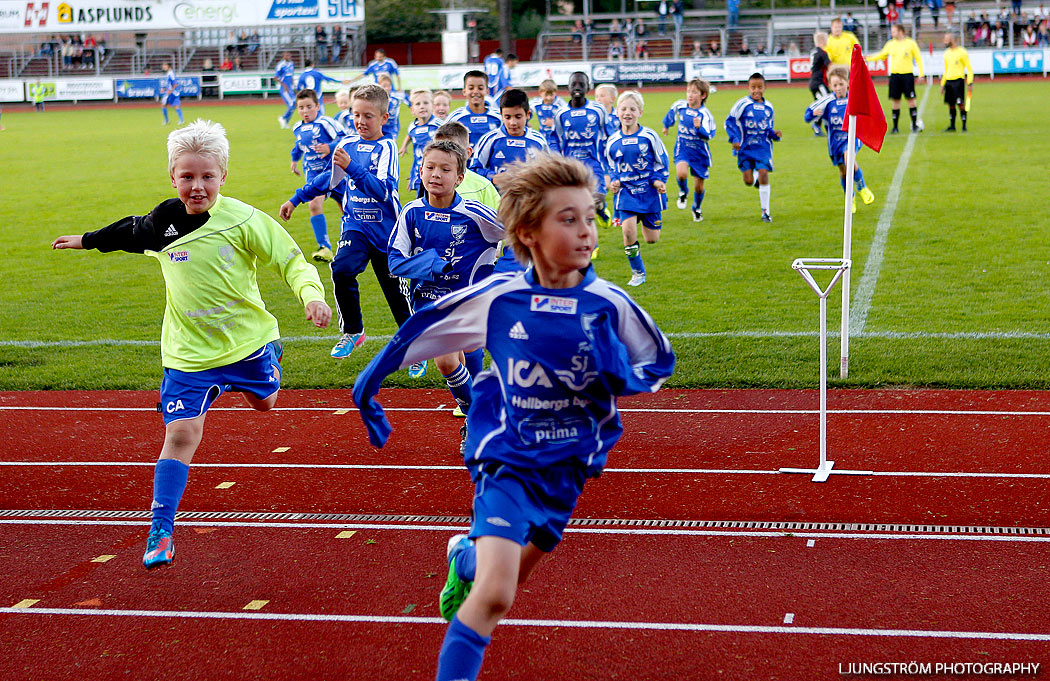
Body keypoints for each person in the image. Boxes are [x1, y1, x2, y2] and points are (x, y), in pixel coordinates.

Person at [351, 152, 675, 681]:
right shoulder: (502, 298)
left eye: (590, 217)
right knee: (496, 598)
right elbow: (425, 329)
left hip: (568, 465)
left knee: (507, 576)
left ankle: (466, 558)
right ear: (526, 232)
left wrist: (619, 376)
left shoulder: (609, 305)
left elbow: (656, 362)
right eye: (568, 219)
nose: (587, 232)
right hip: (506, 454)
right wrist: (369, 389)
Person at [51, 119, 332, 570]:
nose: (197, 186)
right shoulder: (163, 222)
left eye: (206, 176)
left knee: (266, 406)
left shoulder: (244, 219)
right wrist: (85, 240)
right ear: (173, 177)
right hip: (187, 353)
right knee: (181, 435)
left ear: (224, 175)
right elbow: (128, 232)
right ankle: (161, 530)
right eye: (187, 176)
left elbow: (291, 261)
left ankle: (267, 368)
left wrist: (312, 296)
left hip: (248, 345)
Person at [280, 84, 411, 359]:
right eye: (355, 115)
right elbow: (328, 180)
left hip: (387, 231)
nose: (360, 122)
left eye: (368, 116)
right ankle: (353, 331)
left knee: (396, 293)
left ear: (384, 118)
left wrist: (352, 167)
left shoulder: (386, 147)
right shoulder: (347, 144)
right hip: (356, 226)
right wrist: (296, 199)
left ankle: (414, 345)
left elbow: (383, 191)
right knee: (341, 270)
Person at [388, 140, 504, 397]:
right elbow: (394, 262)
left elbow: (519, 232)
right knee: (453, 361)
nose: (436, 174)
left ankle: (474, 418)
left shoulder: (475, 214)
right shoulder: (411, 213)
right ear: (420, 172)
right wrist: (435, 265)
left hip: (466, 302)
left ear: (460, 178)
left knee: (446, 361)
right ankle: (475, 418)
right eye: (429, 167)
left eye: (445, 169)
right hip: (427, 303)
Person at [607, 91, 670, 287]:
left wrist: (658, 180)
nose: (628, 112)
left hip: (649, 191)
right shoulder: (612, 141)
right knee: (627, 232)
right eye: (623, 109)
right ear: (617, 112)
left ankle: (645, 222)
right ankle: (637, 272)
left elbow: (662, 162)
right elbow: (610, 166)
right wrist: (614, 181)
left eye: (632, 109)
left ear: (640, 112)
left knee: (651, 239)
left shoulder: (649, 136)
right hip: (626, 193)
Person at [804, 65, 877, 211]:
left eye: (841, 84)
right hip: (834, 143)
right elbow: (807, 115)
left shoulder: (854, 98)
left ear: (848, 83)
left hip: (852, 138)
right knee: (843, 171)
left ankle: (862, 187)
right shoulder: (827, 101)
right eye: (835, 85)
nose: (838, 88)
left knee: (848, 158)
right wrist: (813, 114)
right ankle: (850, 197)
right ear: (830, 85)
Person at [290, 89, 345, 263]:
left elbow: (346, 139)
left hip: (335, 172)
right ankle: (325, 247)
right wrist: (294, 160)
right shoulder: (297, 127)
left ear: (318, 106)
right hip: (314, 174)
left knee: (348, 209)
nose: (305, 111)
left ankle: (356, 242)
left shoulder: (326, 123)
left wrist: (330, 147)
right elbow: (299, 146)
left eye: (309, 107)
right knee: (314, 205)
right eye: (301, 108)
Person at [554, 72, 611, 228]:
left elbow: (610, 135)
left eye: (581, 84)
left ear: (588, 87)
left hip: (594, 164)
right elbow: (554, 138)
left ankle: (601, 209)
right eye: (574, 84)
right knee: (578, 208)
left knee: (596, 199)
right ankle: (592, 246)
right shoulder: (561, 114)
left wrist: (612, 161)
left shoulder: (598, 110)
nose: (577, 88)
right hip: (571, 167)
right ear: (568, 88)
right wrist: (556, 158)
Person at [725, 72, 781, 223]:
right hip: (744, 148)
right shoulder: (742, 104)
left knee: (764, 172)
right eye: (753, 87)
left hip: (763, 148)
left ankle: (766, 212)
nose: (756, 90)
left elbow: (768, 128)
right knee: (748, 181)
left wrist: (775, 135)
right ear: (748, 88)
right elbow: (729, 122)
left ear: (765, 88)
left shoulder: (769, 107)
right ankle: (755, 179)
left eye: (760, 87)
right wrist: (735, 139)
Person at [471, 89, 549, 191]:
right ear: (501, 116)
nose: (513, 122)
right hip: (497, 202)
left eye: (518, 116)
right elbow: (473, 171)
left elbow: (547, 174)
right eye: (507, 117)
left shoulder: (538, 141)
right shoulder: (490, 139)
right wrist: (492, 177)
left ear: (528, 115)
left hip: (528, 201)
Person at [662, 78, 716, 223]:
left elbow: (710, 134)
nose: (690, 95)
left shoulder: (705, 114)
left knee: (699, 187)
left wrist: (700, 129)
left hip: (700, 153)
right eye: (688, 91)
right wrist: (667, 126)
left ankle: (696, 208)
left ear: (703, 95)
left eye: (694, 92)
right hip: (683, 148)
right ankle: (683, 192)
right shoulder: (681, 105)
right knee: (681, 174)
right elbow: (671, 113)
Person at [868, 23, 925, 134]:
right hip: (895, 76)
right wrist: (868, 59)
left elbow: (918, 58)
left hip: (907, 75)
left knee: (911, 100)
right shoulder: (890, 44)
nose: (892, 33)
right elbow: (882, 55)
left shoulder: (911, 43)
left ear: (900, 31)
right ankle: (895, 127)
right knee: (895, 101)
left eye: (893, 31)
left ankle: (914, 124)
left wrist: (921, 74)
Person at [433, 121, 501, 211]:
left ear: (467, 153)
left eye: (452, 149)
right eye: (439, 150)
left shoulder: (482, 187)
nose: (444, 156)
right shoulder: (430, 182)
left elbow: (499, 221)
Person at [399, 89, 442, 198]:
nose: (422, 106)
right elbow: (410, 134)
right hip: (419, 171)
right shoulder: (413, 126)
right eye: (418, 104)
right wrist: (404, 146)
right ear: (412, 110)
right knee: (421, 200)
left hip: (435, 172)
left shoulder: (438, 125)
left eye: (426, 103)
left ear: (433, 106)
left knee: (434, 200)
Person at [446, 70, 502, 146]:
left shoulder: (499, 116)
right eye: (471, 88)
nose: (475, 91)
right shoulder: (455, 117)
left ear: (487, 91)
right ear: (464, 91)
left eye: (480, 88)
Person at [940, 32, 973, 132]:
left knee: (960, 104)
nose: (944, 41)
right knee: (951, 104)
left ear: (952, 40)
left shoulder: (962, 52)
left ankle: (964, 125)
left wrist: (970, 82)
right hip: (949, 82)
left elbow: (969, 68)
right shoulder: (946, 53)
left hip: (958, 82)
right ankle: (952, 126)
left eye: (946, 39)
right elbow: (946, 70)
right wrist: (942, 84)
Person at [529, 79, 567, 150]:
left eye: (551, 95)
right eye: (546, 95)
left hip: (556, 139)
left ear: (555, 93)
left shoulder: (560, 104)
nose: (549, 98)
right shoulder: (536, 103)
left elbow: (568, 120)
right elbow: (524, 111)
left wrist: (554, 123)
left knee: (554, 158)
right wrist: (526, 123)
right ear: (540, 93)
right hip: (542, 137)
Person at [808, 32, 832, 136]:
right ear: (823, 41)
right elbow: (830, 66)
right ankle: (817, 125)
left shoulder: (813, 52)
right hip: (819, 83)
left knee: (821, 104)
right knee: (827, 102)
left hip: (813, 82)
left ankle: (819, 126)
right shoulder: (823, 53)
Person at [376, 73, 408, 141]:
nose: (387, 88)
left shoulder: (396, 96)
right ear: (380, 86)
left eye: (389, 85)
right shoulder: (376, 98)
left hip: (392, 127)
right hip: (380, 126)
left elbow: (409, 99)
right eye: (384, 86)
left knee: (391, 144)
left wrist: (412, 107)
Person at [275, 51, 296, 129]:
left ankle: (285, 122)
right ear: (283, 56)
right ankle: (283, 118)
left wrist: (293, 87)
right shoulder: (280, 65)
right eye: (286, 55)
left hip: (290, 88)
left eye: (289, 55)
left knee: (293, 105)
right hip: (284, 89)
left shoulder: (291, 64)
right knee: (292, 104)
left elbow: (291, 76)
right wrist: (284, 85)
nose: (288, 56)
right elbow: (276, 77)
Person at [160, 62, 184, 126]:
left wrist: (171, 90)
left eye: (165, 65)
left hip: (173, 93)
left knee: (174, 105)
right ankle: (169, 120)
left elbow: (175, 83)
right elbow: (169, 84)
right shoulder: (169, 74)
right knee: (164, 105)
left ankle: (180, 120)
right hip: (170, 92)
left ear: (168, 66)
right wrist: (164, 89)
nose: (163, 67)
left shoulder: (171, 74)